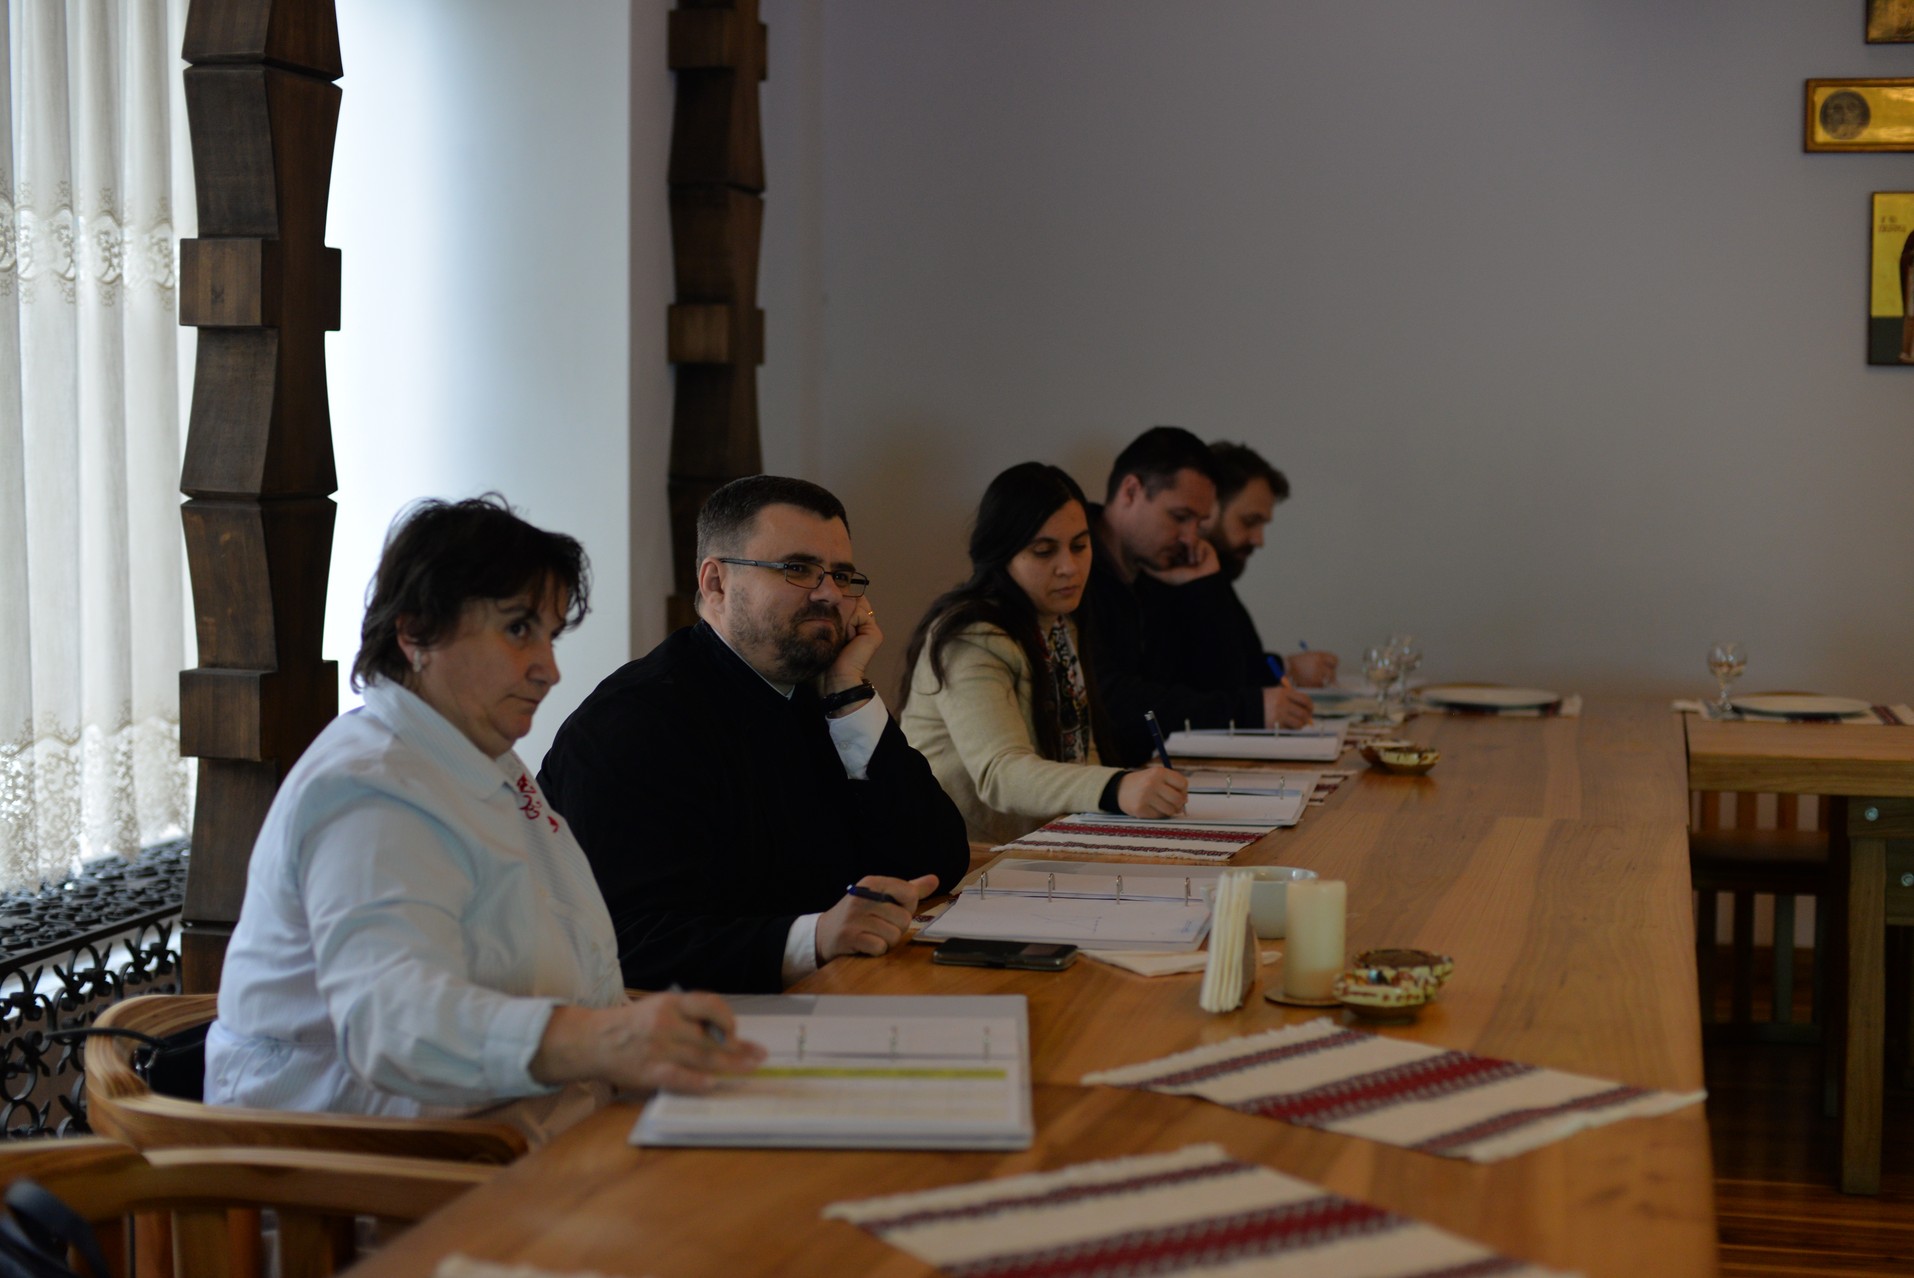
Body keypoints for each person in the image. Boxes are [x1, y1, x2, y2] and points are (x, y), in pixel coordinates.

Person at [205, 496, 763, 1141]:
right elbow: (396, 1024)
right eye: (518, 629)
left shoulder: (478, 758)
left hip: (516, 1135)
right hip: (368, 1190)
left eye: (550, 636)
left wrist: (650, 1042)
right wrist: (608, 1039)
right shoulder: (370, 788)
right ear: (416, 633)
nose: (548, 670)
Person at [539, 475, 969, 994]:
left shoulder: (815, 696)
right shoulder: (633, 724)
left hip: (828, 998)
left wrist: (849, 692)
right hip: (689, 1036)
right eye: (799, 569)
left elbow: (938, 859)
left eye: (842, 575)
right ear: (716, 582)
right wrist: (814, 938)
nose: (830, 594)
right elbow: (630, 941)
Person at [899, 463, 1189, 844]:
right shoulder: (971, 637)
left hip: (1039, 847)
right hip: (962, 862)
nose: (1069, 567)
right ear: (1002, 555)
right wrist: (1117, 787)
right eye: (1044, 551)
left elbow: (1082, 752)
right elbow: (1000, 773)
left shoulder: (1058, 621)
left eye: (1080, 546)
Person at [1084, 427, 1314, 766]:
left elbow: (1225, 681)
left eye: (1199, 521)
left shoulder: (1151, 572)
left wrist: (1206, 587)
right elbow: (1109, 700)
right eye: (1180, 517)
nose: (1191, 536)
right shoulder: (1077, 569)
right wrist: (1247, 710)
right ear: (1131, 492)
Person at [1135, 442, 1339, 698]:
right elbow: (1215, 686)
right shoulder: (1164, 583)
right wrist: (1287, 670)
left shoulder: (1213, 577)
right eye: (1249, 521)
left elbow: (1238, 667)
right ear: (1208, 508)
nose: (1258, 540)